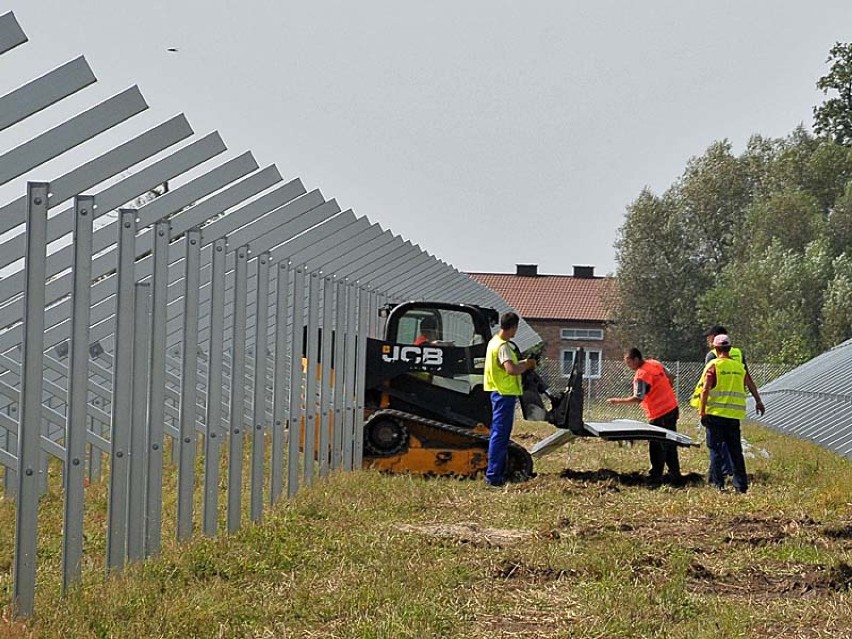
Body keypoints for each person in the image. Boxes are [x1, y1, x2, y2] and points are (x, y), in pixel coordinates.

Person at [690, 325, 766, 477]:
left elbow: (706, 385)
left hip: (716, 409)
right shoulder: (738, 354)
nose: (708, 340)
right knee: (734, 446)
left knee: (716, 447)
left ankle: (718, 477)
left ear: (716, 340)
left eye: (709, 337)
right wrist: (758, 400)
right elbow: (748, 379)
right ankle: (736, 477)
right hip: (734, 409)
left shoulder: (712, 357)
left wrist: (701, 408)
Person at [607, 347, 681, 485]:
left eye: (629, 363)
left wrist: (617, 401)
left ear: (636, 359)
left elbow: (638, 398)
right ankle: (675, 474)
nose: (628, 366)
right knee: (670, 443)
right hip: (672, 408)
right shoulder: (655, 363)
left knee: (656, 445)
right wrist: (665, 391)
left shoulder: (641, 375)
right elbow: (671, 376)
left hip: (660, 414)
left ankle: (656, 477)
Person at [698, 334, 758, 493]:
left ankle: (718, 484)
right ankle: (741, 486)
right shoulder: (739, 367)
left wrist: (702, 411)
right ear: (730, 348)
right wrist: (758, 401)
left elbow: (705, 389)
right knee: (736, 451)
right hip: (733, 416)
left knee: (716, 450)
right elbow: (750, 384)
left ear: (716, 349)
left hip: (715, 416)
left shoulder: (713, 365)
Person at [483, 312, 536, 487]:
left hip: (497, 392)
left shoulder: (493, 343)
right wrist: (527, 365)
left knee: (499, 435)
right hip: (503, 394)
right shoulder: (503, 346)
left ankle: (495, 472)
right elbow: (511, 369)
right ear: (513, 327)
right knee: (500, 435)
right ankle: (494, 477)